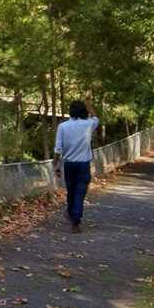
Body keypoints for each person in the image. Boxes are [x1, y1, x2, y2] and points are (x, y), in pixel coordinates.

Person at [53, 98, 99, 233]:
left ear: (71, 112)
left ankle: (70, 211)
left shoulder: (63, 126)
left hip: (69, 164)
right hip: (83, 165)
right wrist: (89, 105)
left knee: (71, 190)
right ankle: (75, 221)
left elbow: (58, 148)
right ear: (84, 112)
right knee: (80, 192)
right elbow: (96, 117)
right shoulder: (89, 124)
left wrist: (55, 164)